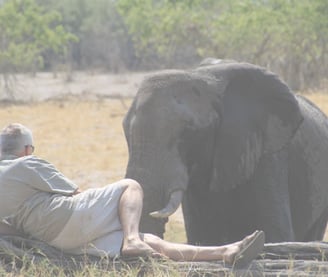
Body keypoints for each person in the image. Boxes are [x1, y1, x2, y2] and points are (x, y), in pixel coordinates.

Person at [0, 123, 265, 268]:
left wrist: (31, 231)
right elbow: (75, 192)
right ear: (26, 149)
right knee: (130, 186)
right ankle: (131, 239)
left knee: (152, 241)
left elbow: (6, 228)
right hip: (66, 218)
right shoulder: (27, 164)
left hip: (55, 240)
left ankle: (225, 252)